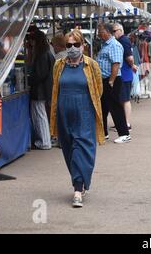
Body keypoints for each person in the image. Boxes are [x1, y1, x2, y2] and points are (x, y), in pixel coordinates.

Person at [50, 30, 104, 208]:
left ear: (83, 45)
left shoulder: (92, 65)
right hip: (64, 113)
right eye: (68, 45)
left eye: (76, 45)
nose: (72, 48)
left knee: (82, 149)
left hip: (84, 113)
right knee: (69, 150)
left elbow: (99, 89)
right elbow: (55, 88)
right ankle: (79, 182)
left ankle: (77, 190)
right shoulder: (58, 65)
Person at [96, 23, 131, 144]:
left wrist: (111, 80)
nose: (99, 33)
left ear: (107, 31)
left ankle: (124, 134)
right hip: (105, 80)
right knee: (103, 108)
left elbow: (116, 64)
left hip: (111, 80)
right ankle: (103, 133)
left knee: (115, 107)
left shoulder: (114, 45)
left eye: (100, 31)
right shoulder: (105, 44)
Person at [28, 29, 55, 150]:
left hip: (40, 90)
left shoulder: (42, 55)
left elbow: (40, 74)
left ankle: (44, 141)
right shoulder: (47, 52)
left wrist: (30, 80)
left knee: (40, 115)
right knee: (41, 115)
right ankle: (44, 140)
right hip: (45, 89)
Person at [113, 23, 137, 131]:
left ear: (120, 30)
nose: (113, 34)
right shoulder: (122, 40)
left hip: (125, 75)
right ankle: (122, 121)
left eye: (114, 31)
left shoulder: (123, 40)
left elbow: (130, 57)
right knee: (121, 100)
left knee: (125, 99)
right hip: (123, 74)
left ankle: (126, 123)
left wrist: (132, 66)